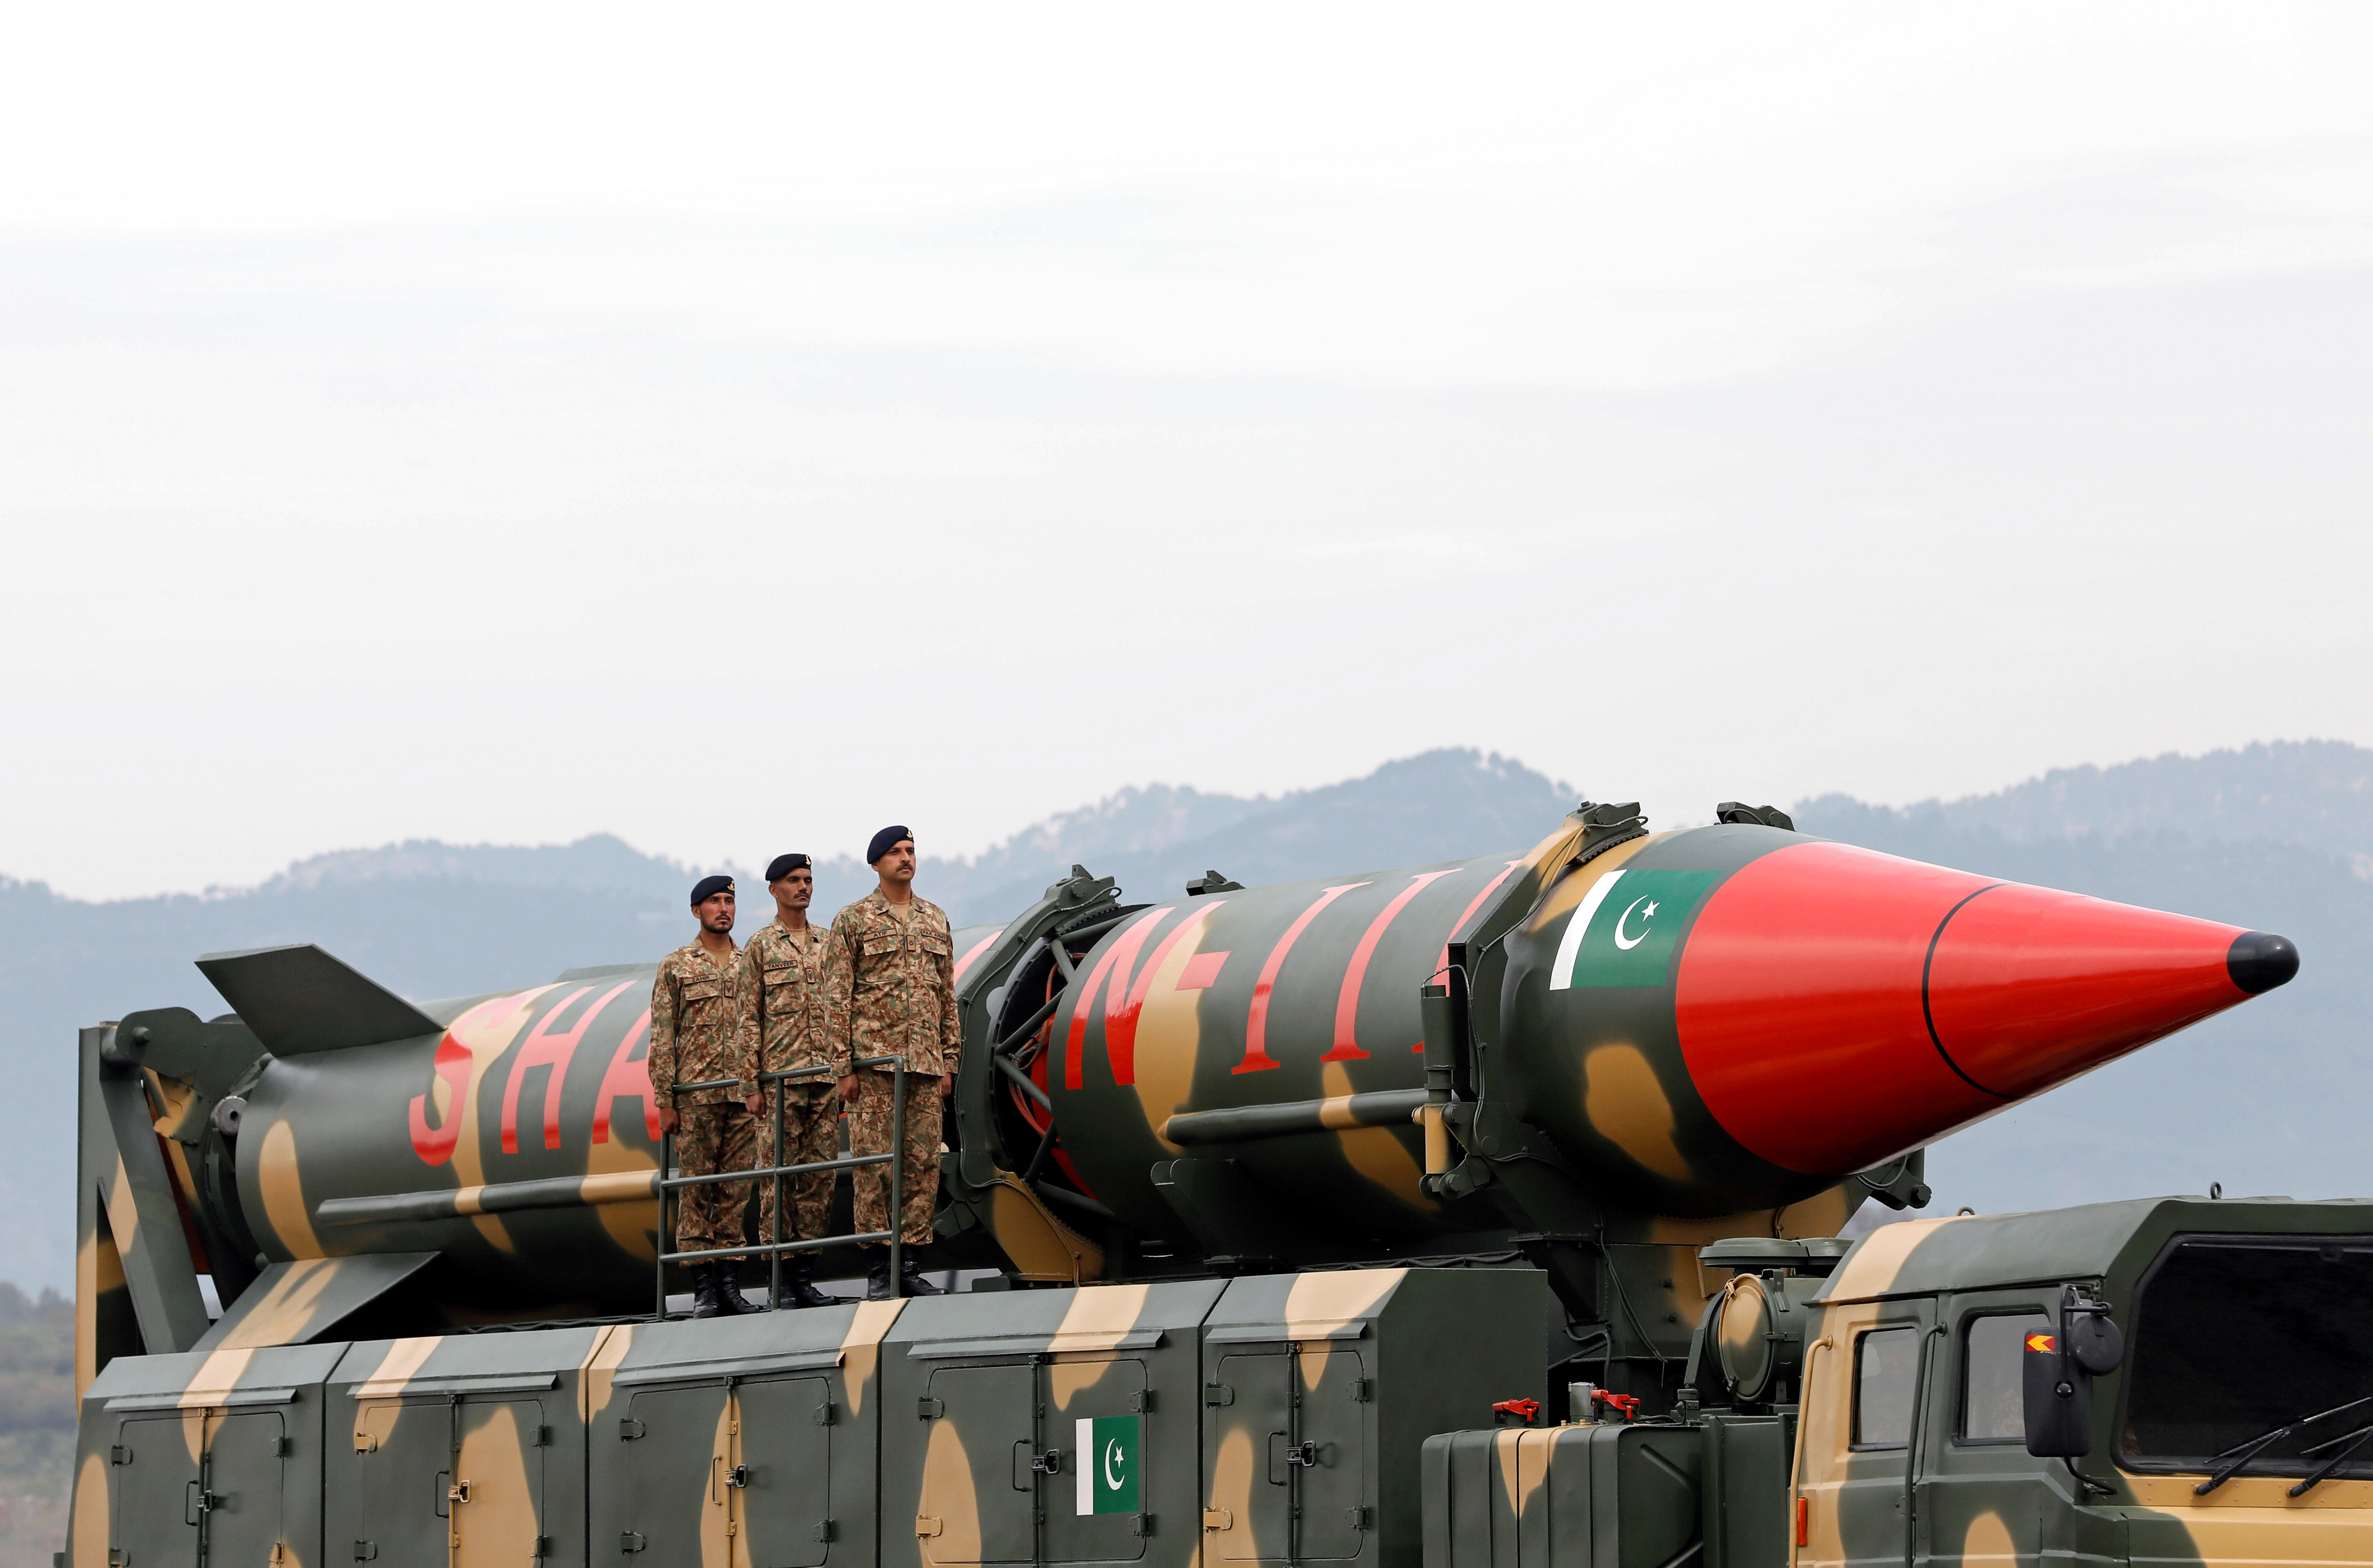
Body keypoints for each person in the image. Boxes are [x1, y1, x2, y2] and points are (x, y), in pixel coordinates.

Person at [825, 825, 960, 1300]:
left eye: (910, 850)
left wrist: (949, 1062)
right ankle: (880, 1271)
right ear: (876, 864)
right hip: (874, 1069)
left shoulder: (934, 919)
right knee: (876, 1170)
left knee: (921, 1168)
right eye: (895, 853)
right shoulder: (855, 920)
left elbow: (946, 997)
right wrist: (842, 1067)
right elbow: (837, 998)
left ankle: (910, 1264)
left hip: (924, 1067)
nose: (906, 858)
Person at [648, 874, 761, 1317]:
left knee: (735, 1191)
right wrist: (666, 1097)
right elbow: (663, 1034)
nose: (724, 908)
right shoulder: (677, 966)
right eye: (714, 901)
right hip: (695, 1095)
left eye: (729, 900)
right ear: (697, 911)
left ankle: (730, 1284)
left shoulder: (750, 961)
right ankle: (704, 1291)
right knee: (696, 1191)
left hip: (742, 1093)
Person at [742, 853, 852, 1308]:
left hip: (824, 1079)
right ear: (774, 889)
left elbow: (846, 1006)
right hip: (780, 1085)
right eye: (793, 881)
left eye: (808, 880)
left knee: (819, 1181)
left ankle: (804, 1275)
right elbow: (747, 1018)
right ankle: (780, 1280)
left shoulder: (831, 943)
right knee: (778, 1182)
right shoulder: (761, 947)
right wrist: (749, 1084)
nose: (803, 887)